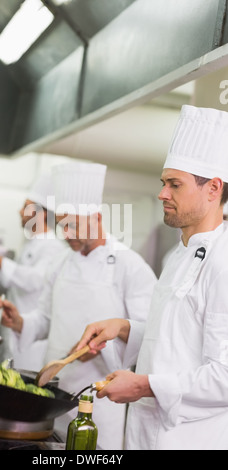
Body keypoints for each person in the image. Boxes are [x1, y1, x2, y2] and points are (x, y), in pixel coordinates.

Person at [75, 105, 228, 450]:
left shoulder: (225, 263)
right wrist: (124, 327)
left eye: (175, 185)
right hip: (144, 434)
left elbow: (225, 375)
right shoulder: (176, 256)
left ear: (213, 188)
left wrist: (145, 386)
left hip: (191, 440)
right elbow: (176, 341)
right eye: (164, 183)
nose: (161, 193)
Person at [0, 162, 157, 450]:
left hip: (100, 400)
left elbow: (151, 334)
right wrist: (20, 321)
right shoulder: (61, 261)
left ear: (96, 218)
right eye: (61, 224)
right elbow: (45, 316)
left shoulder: (130, 266)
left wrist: (108, 344)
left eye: (73, 225)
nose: (66, 233)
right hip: (52, 396)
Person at [0, 173, 66, 369]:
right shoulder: (30, 244)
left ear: (42, 213)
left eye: (25, 207)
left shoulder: (53, 246)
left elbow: (34, 280)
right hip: (11, 331)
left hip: (31, 341)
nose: (20, 212)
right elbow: (11, 281)